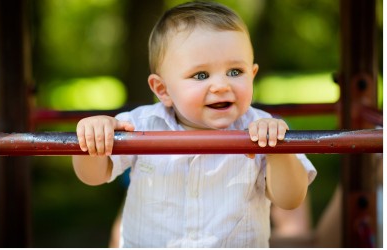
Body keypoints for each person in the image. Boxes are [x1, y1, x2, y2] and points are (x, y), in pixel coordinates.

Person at [72, 1, 317, 247]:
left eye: (235, 71)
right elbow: (93, 175)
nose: (222, 85)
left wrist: (278, 152)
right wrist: (93, 136)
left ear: (252, 74)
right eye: (201, 75)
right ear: (162, 89)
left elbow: (290, 199)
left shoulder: (263, 128)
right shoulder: (139, 125)